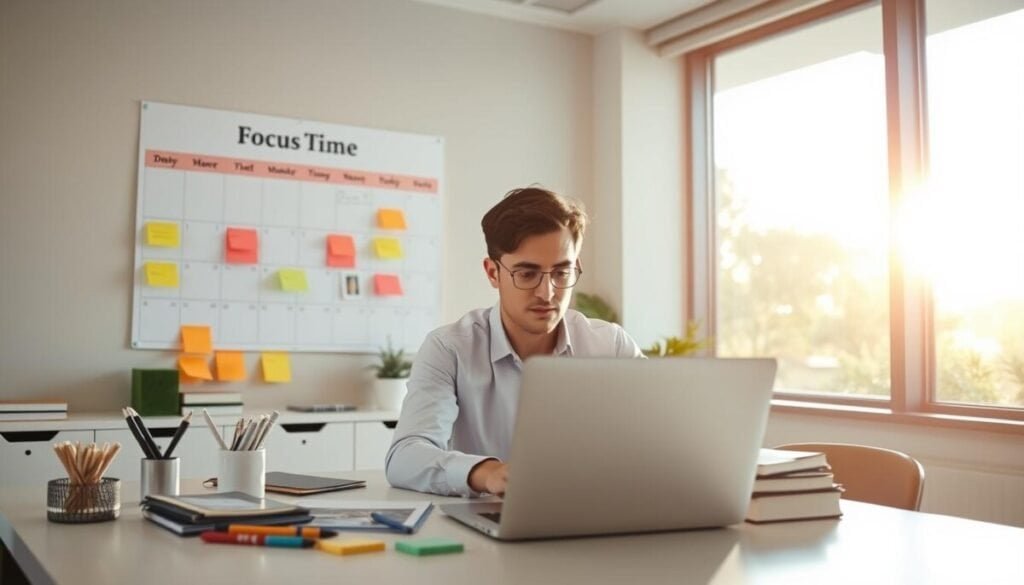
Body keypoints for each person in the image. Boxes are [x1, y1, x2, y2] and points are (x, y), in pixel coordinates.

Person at [385, 187, 643, 497]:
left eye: (562, 272)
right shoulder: (449, 348)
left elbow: (662, 437)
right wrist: (487, 473)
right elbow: (405, 457)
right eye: (527, 273)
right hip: (485, 521)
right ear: (493, 273)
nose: (547, 293)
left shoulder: (611, 346)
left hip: (593, 515)